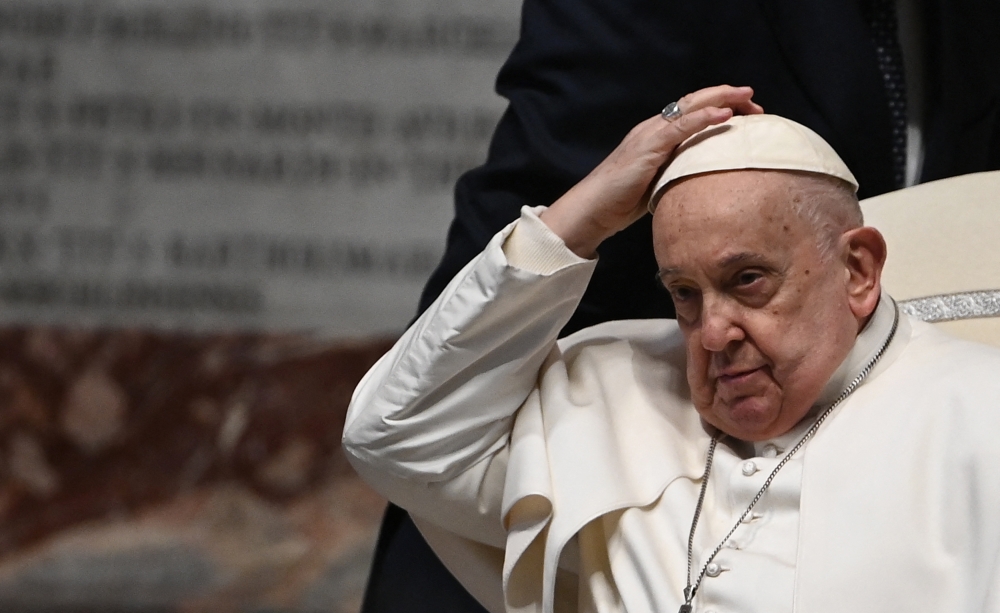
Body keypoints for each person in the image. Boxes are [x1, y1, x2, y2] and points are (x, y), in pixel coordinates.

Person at [364, 1, 1000, 608]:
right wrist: (574, 220)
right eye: (685, 294)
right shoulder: (619, 392)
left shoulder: (975, 412)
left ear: (858, 271)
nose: (715, 333)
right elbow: (395, 437)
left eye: (749, 280)